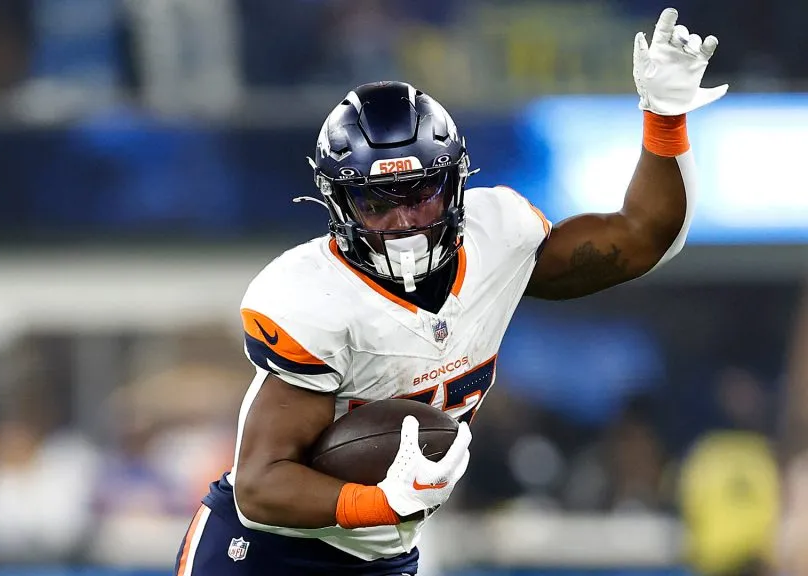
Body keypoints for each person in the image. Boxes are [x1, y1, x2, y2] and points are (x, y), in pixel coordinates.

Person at [175, 8, 726, 575]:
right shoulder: (313, 298)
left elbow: (641, 237)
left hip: (380, 558)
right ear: (338, 204)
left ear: (456, 185)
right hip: (262, 555)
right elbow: (259, 487)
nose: (403, 220)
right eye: (376, 202)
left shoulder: (498, 240)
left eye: (421, 194)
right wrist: (383, 502)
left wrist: (664, 118)